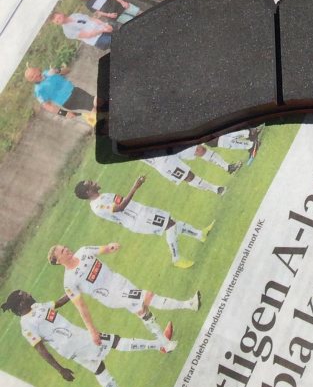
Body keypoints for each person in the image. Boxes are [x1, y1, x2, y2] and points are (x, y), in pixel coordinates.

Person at [2, 288, 168, 387]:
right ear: (20, 304)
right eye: (25, 295)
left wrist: (73, 288)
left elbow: (59, 302)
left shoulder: (37, 306)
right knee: (115, 341)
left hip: (74, 343)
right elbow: (41, 349)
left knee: (99, 368)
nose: (29, 295)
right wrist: (60, 369)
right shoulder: (26, 325)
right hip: (76, 342)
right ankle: (161, 345)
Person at [48, 243, 198, 343]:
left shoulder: (83, 251)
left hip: (119, 280)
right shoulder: (69, 282)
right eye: (62, 251)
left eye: (64, 247)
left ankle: (164, 343)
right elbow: (81, 307)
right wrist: (92, 331)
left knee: (142, 310)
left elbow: (103, 249)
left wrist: (110, 247)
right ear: (58, 261)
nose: (66, 249)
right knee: (148, 297)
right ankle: (189, 304)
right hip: (111, 295)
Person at [74, 176, 212, 270]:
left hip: (141, 212)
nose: (94, 182)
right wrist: (135, 187)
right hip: (138, 219)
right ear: (88, 192)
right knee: (170, 225)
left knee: (171, 223)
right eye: (91, 183)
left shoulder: (102, 196)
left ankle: (200, 234)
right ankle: (177, 259)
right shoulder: (97, 206)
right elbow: (120, 207)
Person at [145, 145, 242, 193]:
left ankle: (228, 167)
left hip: (170, 145)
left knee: (199, 149)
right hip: (161, 160)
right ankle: (216, 189)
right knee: (188, 176)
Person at [25, 65, 96, 125]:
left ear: (37, 69)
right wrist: (64, 113)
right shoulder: (38, 90)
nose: (35, 75)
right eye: (32, 76)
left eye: (35, 72)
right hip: (69, 101)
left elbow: (68, 70)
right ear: (31, 80)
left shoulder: (47, 72)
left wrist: (57, 71)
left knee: (93, 107)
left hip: (75, 90)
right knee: (94, 101)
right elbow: (47, 106)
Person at [73, 0, 140, 25]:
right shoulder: (88, 4)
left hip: (121, 5)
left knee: (139, 13)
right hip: (115, 16)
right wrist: (109, 15)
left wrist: (122, 2)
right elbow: (98, 12)